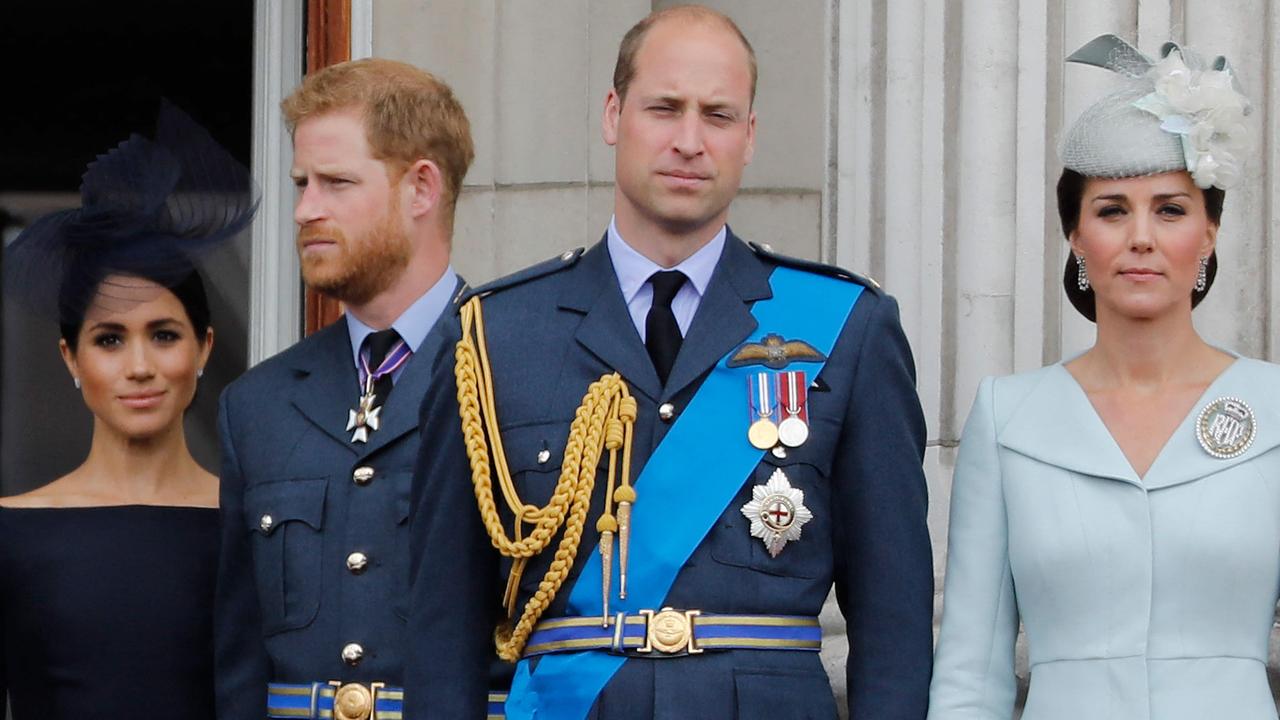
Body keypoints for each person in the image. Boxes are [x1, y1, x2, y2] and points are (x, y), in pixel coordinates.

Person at [405, 6, 933, 719]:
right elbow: (444, 626)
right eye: (664, 108)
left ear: (749, 137)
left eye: (718, 115)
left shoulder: (849, 329)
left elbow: (894, 619)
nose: (690, 141)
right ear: (613, 115)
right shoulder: (494, 335)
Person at [928, 35, 1272, 720]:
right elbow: (971, 671)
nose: (1141, 236)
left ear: (1208, 234)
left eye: (1170, 209)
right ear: (1077, 238)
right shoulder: (1009, 416)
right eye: (1113, 210)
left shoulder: (1274, 408)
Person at [213, 58, 474, 720]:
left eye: (335, 183)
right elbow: (240, 663)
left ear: (421, 188)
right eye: (303, 183)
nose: (304, 210)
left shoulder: (520, 370)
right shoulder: (257, 406)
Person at [0, 103, 256, 719]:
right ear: (70, 358)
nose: (139, 366)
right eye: (109, 339)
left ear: (204, 348)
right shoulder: (9, 532)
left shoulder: (254, 529)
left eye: (164, 334)